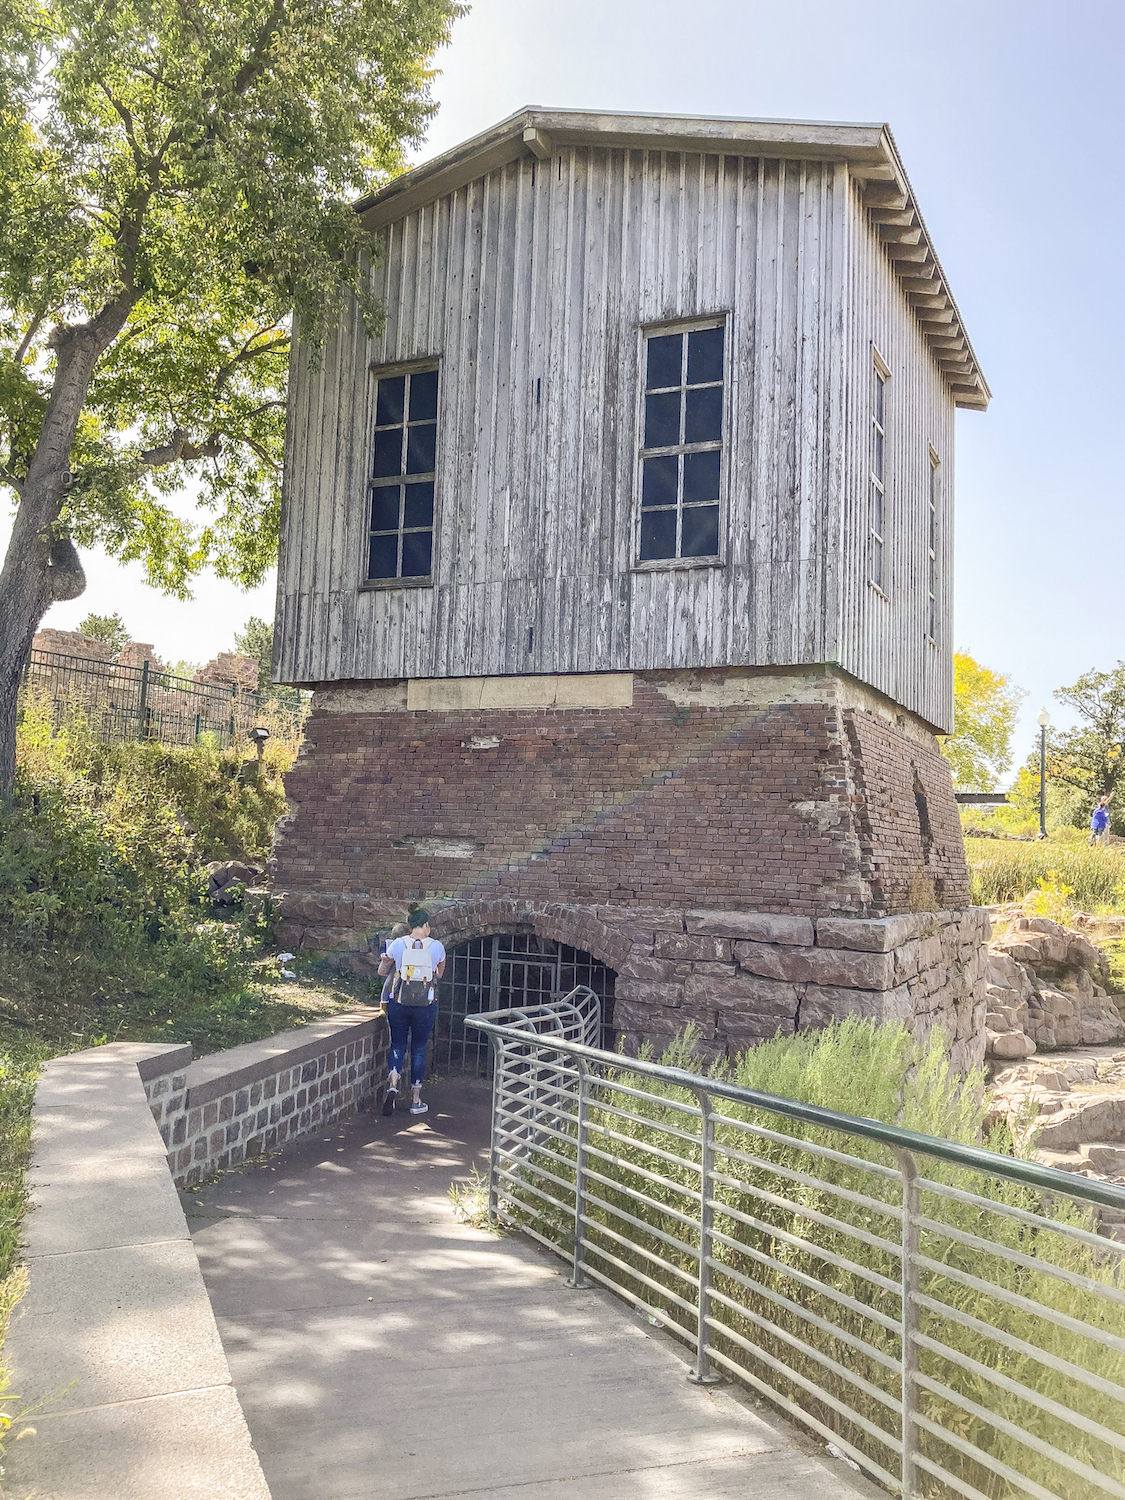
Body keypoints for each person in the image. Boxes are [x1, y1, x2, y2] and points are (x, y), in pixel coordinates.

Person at [377, 909, 445, 1117]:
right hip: (425, 1004)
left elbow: (382, 971)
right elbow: (439, 974)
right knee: (418, 1048)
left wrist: (388, 961)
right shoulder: (437, 946)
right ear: (426, 925)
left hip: (399, 1002)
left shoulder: (398, 944)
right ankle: (415, 1100)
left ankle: (393, 1085)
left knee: (397, 1044)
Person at [378, 924, 409, 1008]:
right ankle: (384, 1002)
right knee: (389, 982)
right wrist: (383, 955)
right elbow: (382, 950)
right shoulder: (390, 943)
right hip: (394, 967)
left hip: (407, 967)